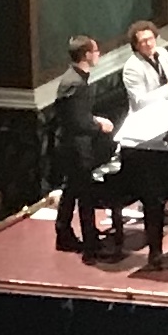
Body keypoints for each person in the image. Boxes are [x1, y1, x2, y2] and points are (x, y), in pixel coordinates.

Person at [51, 35, 113, 256]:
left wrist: (93, 120)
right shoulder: (76, 84)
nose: (98, 55)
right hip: (77, 148)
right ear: (86, 55)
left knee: (71, 190)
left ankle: (64, 233)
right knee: (84, 194)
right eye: (96, 51)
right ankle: (89, 241)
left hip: (70, 145)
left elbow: (76, 116)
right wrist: (100, 125)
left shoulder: (74, 79)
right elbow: (79, 123)